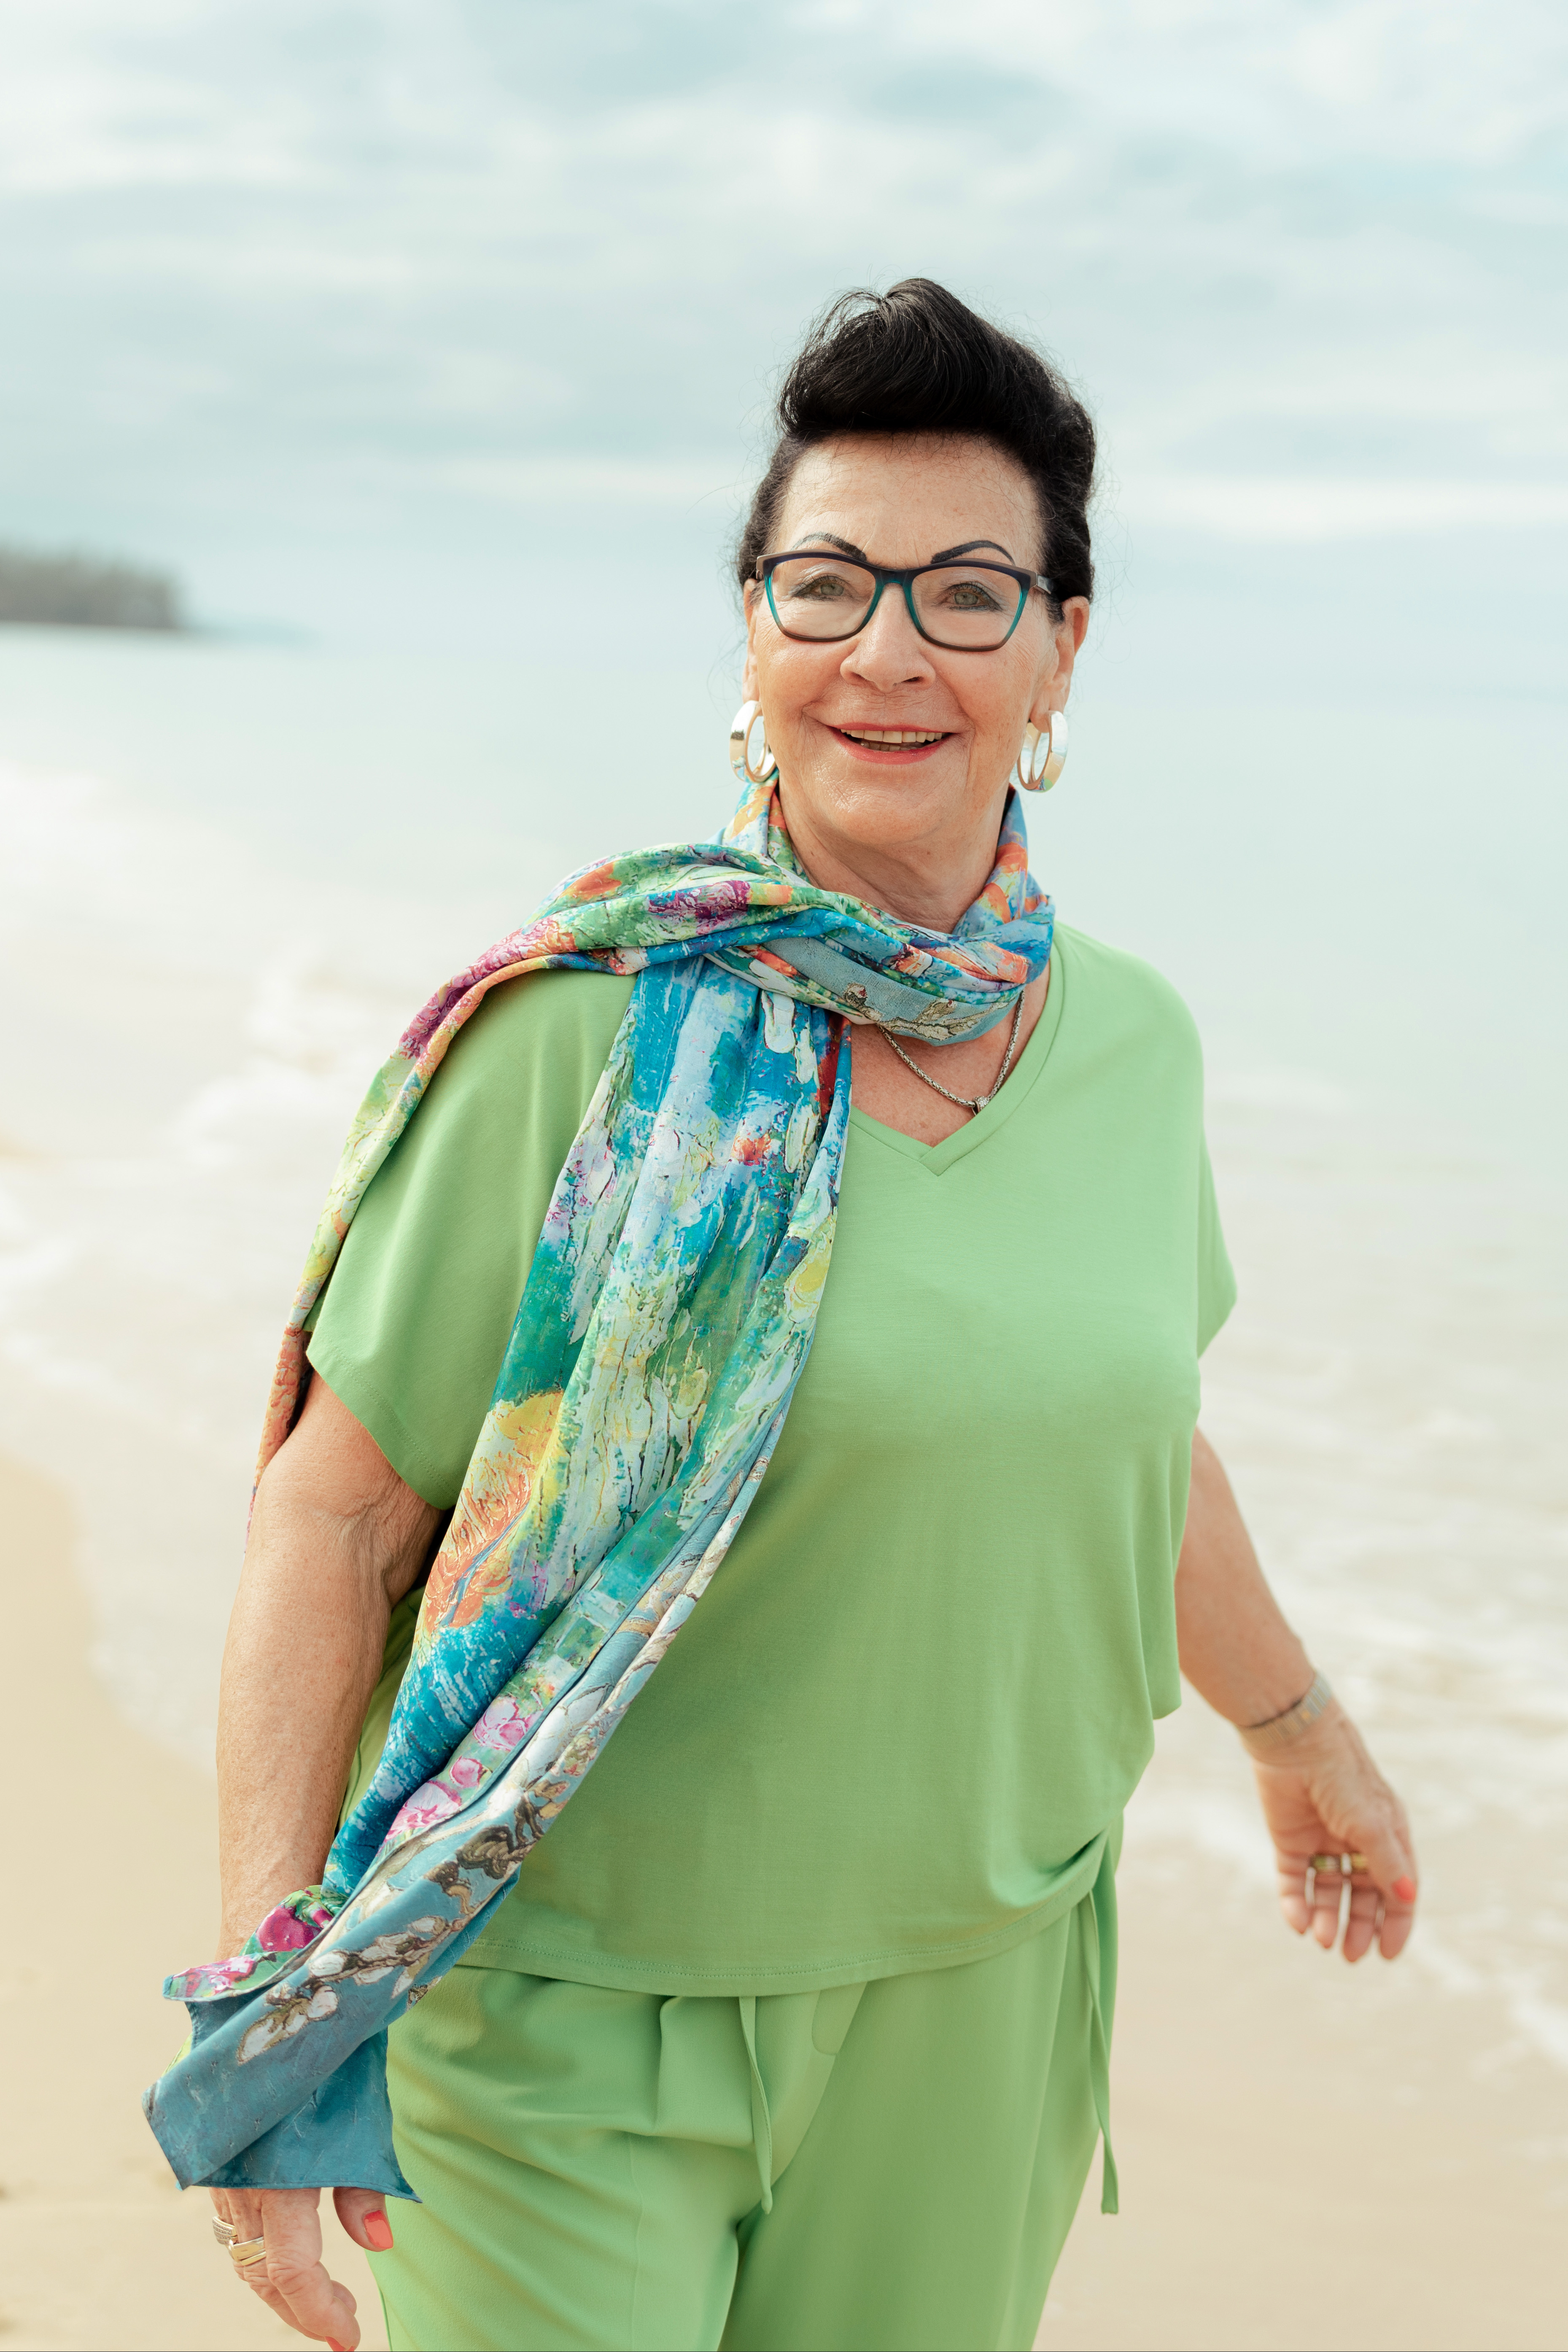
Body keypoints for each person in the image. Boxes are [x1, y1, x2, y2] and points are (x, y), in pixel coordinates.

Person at [164, 280, 1418, 2352]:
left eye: (967, 593)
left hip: (978, 2006)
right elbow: (342, 1514)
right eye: (826, 586)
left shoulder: (1138, 1047)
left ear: (1062, 650)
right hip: (562, 2019)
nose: (887, 652)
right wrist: (272, 2002)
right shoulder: (583, 1034)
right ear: (753, 640)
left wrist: (1300, 1732)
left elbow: (1122, 1438)